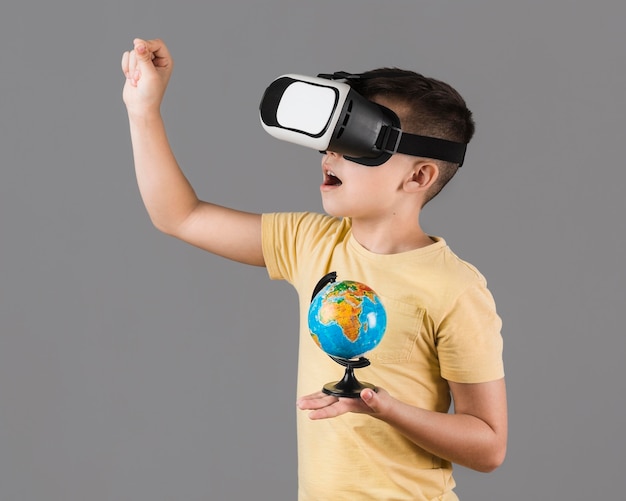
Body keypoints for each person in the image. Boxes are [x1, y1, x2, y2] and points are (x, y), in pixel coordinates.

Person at [121, 38, 507, 501]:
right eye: (329, 143)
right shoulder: (312, 242)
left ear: (419, 176)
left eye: (356, 143)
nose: (330, 155)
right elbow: (179, 215)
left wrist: (384, 409)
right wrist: (143, 111)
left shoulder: (456, 288)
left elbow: (488, 446)